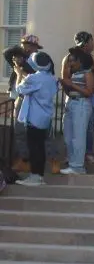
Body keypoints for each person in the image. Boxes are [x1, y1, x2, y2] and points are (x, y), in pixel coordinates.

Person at [12, 51, 58, 187]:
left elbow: (19, 90)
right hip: (45, 118)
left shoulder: (34, 78)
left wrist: (19, 74)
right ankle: (39, 176)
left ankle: (35, 176)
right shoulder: (50, 78)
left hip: (33, 118)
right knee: (40, 147)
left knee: (34, 148)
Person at [5, 34, 42, 173]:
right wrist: (20, 50)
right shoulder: (18, 58)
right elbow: (6, 52)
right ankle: (24, 159)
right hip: (17, 97)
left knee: (30, 131)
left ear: (35, 48)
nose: (28, 48)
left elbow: (33, 74)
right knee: (19, 130)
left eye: (30, 46)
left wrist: (22, 63)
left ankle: (31, 160)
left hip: (29, 99)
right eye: (25, 45)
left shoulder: (37, 60)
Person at [59, 48, 94, 175]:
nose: (70, 64)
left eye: (73, 62)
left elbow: (89, 92)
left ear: (80, 62)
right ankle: (72, 161)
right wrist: (65, 84)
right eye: (69, 61)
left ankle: (78, 167)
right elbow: (68, 89)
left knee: (78, 136)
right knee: (68, 136)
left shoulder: (88, 73)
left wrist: (72, 85)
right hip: (71, 102)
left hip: (82, 104)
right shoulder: (73, 73)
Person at [65, 31, 94, 165]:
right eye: (91, 41)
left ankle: (87, 153)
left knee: (89, 127)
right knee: (73, 133)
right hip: (75, 99)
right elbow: (66, 79)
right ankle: (73, 157)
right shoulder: (69, 58)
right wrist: (72, 95)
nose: (92, 44)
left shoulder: (91, 58)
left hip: (88, 97)